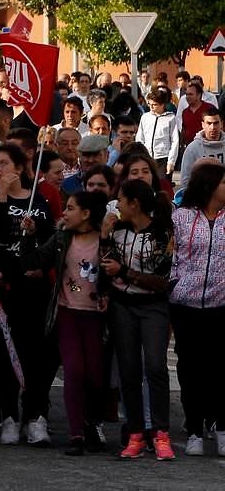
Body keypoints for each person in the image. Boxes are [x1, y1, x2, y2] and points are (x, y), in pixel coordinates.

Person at [21, 191, 111, 456]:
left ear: (86, 214)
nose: (65, 213)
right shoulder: (62, 238)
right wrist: (28, 236)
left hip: (95, 317)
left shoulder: (105, 240)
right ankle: (76, 435)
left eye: (71, 208)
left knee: (95, 374)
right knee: (73, 370)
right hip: (67, 313)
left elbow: (111, 274)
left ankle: (91, 422)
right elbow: (33, 261)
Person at [0, 142, 58, 448]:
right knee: (2, 354)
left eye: (3, 163)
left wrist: (42, 266)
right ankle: (10, 415)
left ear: (19, 166)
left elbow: (51, 240)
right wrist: (1, 194)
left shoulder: (39, 201)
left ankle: (36, 416)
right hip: (2, 289)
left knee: (36, 354)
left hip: (34, 289)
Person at [101, 179, 175, 461]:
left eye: (120, 200)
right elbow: (105, 268)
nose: (116, 205)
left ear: (134, 203)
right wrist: (105, 237)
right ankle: (135, 434)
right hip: (123, 306)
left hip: (153, 307)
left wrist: (125, 272)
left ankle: (161, 433)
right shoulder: (117, 231)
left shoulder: (162, 233)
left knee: (155, 366)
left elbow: (161, 280)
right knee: (129, 370)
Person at [168, 159, 225, 456]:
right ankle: (193, 428)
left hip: (221, 306)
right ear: (209, 186)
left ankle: (222, 424)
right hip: (186, 307)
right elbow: (171, 254)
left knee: (220, 368)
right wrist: (176, 283)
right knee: (191, 368)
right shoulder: (181, 217)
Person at [176, 105, 224, 190]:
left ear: (222, 124)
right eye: (209, 123)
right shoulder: (193, 149)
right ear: (203, 125)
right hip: (201, 199)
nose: (212, 127)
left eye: (216, 123)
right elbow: (185, 179)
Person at [135, 88, 176, 174]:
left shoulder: (171, 118)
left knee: (162, 184)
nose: (151, 107)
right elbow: (140, 138)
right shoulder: (145, 117)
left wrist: (171, 162)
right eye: (150, 104)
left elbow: (175, 141)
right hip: (147, 157)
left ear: (162, 105)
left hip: (163, 158)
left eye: (155, 104)